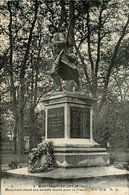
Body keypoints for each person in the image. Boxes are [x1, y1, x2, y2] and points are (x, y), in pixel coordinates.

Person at [49, 25, 80, 92]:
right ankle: (59, 87)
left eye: (51, 28)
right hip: (56, 57)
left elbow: (63, 42)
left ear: (55, 29)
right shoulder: (51, 38)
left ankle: (79, 85)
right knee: (53, 72)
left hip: (62, 55)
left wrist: (56, 42)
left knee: (72, 69)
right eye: (49, 29)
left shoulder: (59, 34)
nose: (50, 30)